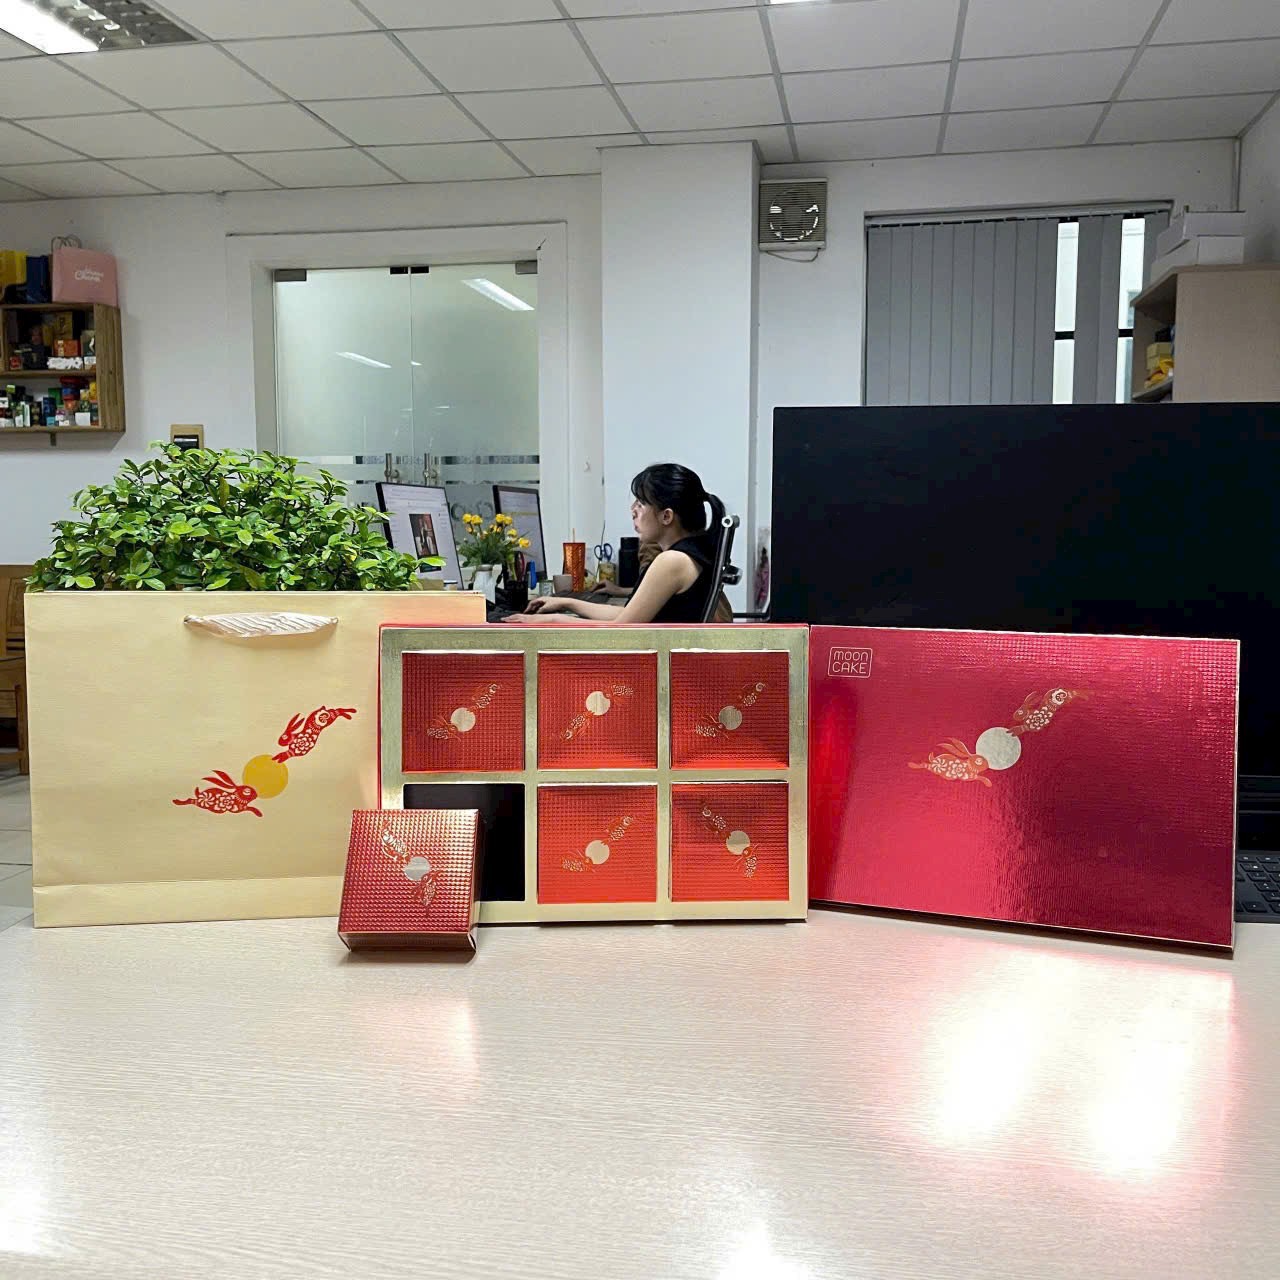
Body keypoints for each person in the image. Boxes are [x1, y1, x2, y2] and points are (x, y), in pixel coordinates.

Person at [509, 463, 726, 624]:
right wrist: (567, 603)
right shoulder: (687, 554)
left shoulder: (673, 561)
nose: (633, 510)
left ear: (666, 516)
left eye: (641, 503)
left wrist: (552, 621)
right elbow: (629, 615)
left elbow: (622, 629)